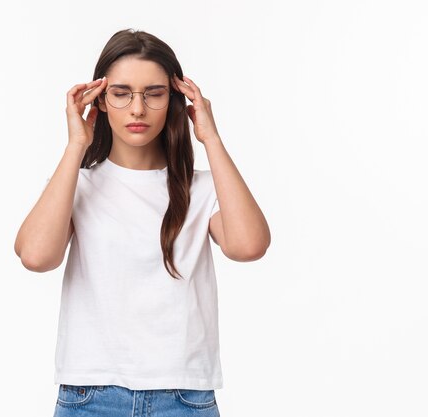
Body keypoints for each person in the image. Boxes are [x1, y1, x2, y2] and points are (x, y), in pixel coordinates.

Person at [14, 28, 270, 417]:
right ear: (99, 99)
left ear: (174, 100)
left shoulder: (203, 189)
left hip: (184, 397)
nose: (137, 109)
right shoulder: (76, 185)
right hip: (91, 395)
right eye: (121, 93)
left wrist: (211, 138)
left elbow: (249, 246)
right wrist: (75, 146)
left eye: (154, 93)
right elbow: (35, 256)